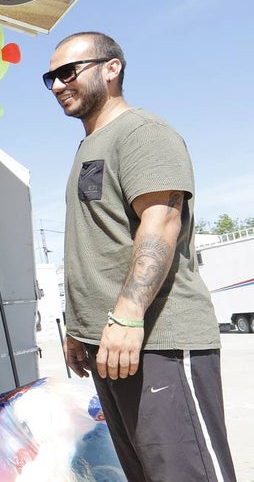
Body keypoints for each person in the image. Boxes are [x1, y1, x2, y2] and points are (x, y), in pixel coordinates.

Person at [48, 32, 236, 482]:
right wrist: (79, 329)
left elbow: (161, 224)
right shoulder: (89, 145)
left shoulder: (141, 132)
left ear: (111, 68)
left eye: (67, 72)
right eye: (50, 77)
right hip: (110, 346)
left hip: (159, 341)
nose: (57, 85)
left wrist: (129, 315)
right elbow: (98, 243)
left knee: (186, 474)